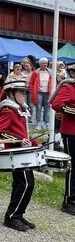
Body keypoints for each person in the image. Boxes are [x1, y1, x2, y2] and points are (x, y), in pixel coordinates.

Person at [0, 80, 37, 231]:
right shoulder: (9, 109)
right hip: (15, 154)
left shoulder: (20, 109)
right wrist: (19, 141)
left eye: (25, 92)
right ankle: (11, 217)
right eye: (21, 92)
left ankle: (18, 214)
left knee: (26, 184)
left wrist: (32, 141)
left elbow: (23, 132)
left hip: (23, 153)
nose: (24, 95)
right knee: (24, 184)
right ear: (11, 93)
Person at [49, 64, 75, 216]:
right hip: (71, 132)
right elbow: (56, 104)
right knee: (73, 168)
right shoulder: (68, 87)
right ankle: (69, 201)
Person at [29, 57, 51, 130]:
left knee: (47, 108)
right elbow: (31, 83)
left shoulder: (50, 72)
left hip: (48, 92)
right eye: (44, 63)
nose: (45, 64)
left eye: (46, 63)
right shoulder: (36, 72)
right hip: (39, 92)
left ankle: (47, 123)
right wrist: (33, 90)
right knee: (38, 108)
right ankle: (38, 123)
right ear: (40, 64)